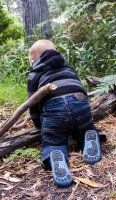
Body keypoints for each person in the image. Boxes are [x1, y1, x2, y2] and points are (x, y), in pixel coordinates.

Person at [27, 39, 101, 187]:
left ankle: (56, 152)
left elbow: (33, 103)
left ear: (33, 60)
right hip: (80, 103)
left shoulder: (34, 74)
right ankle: (88, 135)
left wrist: (38, 125)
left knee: (54, 139)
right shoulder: (68, 67)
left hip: (54, 109)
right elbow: (79, 87)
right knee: (84, 127)